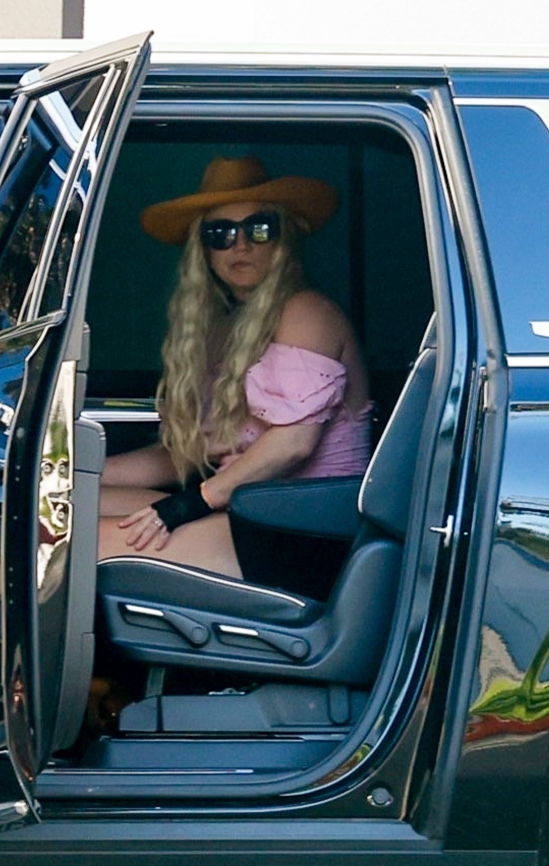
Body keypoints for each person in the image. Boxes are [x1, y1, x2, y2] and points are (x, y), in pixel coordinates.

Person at [98, 156, 372, 580]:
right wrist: (83, 470)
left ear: (285, 240)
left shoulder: (306, 312)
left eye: (259, 229)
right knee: (67, 504)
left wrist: (185, 506)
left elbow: (294, 442)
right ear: (204, 251)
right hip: (245, 513)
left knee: (70, 544)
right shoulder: (226, 329)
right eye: (220, 234)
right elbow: (191, 453)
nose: (239, 245)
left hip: (302, 532)